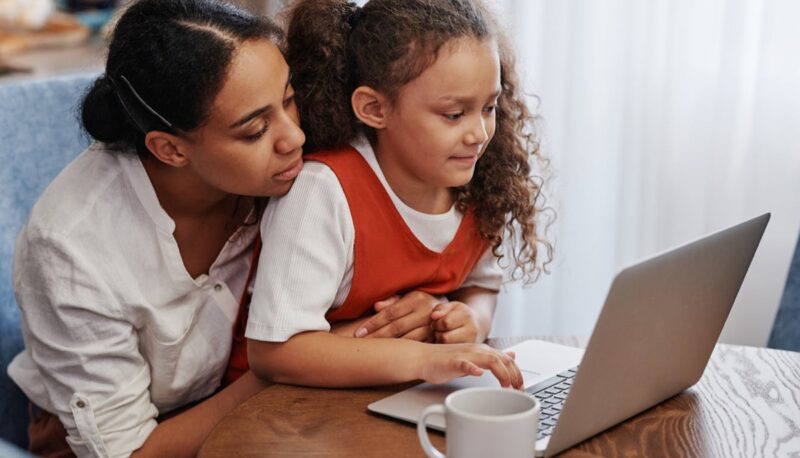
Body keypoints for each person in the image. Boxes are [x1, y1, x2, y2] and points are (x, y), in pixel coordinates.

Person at [7, 0, 306, 456]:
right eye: (254, 131)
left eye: (288, 99)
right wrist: (284, 368)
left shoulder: (280, 169)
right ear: (170, 149)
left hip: (250, 403)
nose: (295, 136)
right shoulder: (71, 248)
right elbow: (130, 452)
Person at [245, 0, 552, 388]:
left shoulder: (476, 179)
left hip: (400, 397)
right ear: (374, 108)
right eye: (454, 115)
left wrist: (471, 320)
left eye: (489, 107)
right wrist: (425, 358)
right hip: (285, 407)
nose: (479, 134)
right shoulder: (322, 190)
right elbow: (274, 354)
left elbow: (481, 285)